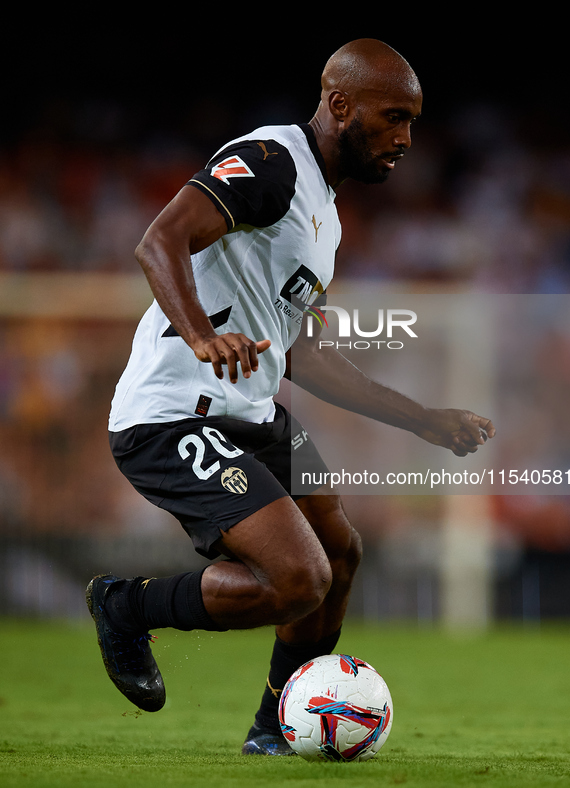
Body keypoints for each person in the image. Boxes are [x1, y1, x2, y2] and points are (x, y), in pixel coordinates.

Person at [86, 38, 496, 756]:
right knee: (297, 579)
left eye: (413, 122)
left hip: (250, 412)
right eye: (393, 117)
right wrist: (200, 335)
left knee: (339, 556)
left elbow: (302, 352)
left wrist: (423, 421)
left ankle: (273, 729)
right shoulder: (272, 161)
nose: (404, 139)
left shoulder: (325, 216)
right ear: (340, 105)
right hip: (175, 411)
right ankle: (124, 607)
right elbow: (160, 240)